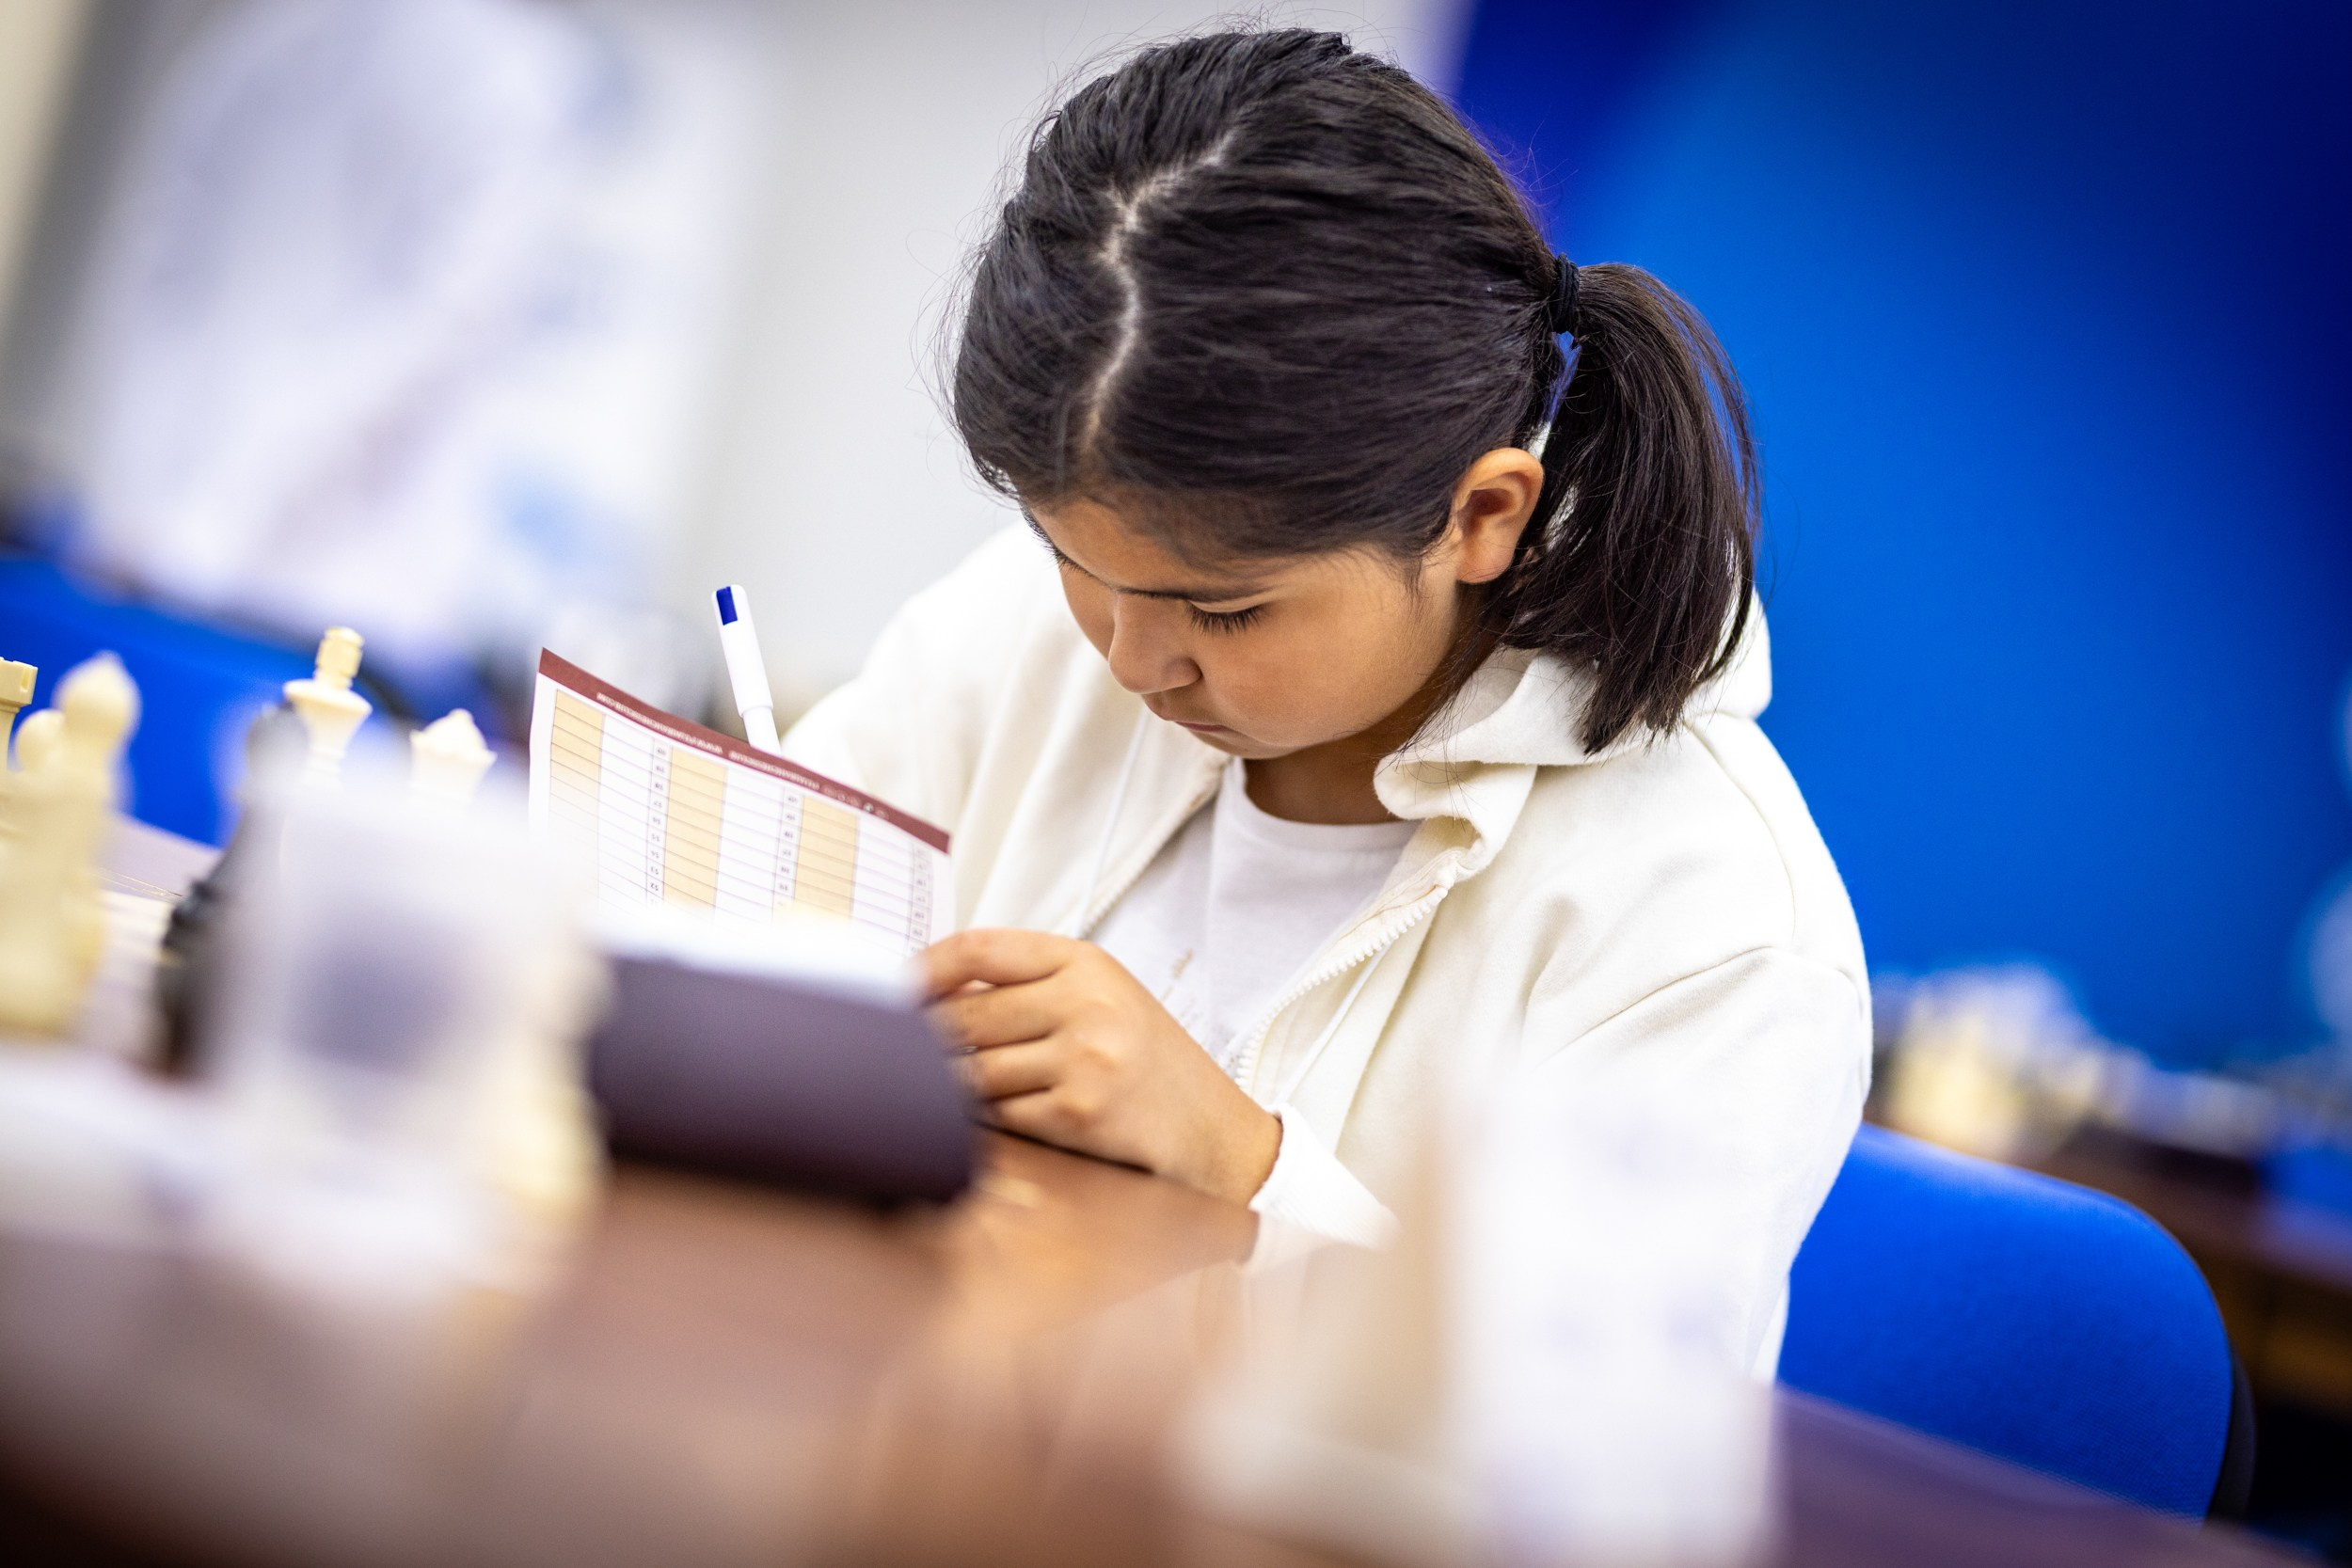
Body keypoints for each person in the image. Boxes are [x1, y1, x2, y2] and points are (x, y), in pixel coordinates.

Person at [785, 28, 1867, 1374]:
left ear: (1481, 515)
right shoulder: (1041, 628)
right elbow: (756, 941)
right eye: (1072, 559)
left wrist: (1247, 1167)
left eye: (1224, 610)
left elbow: (1585, 1446)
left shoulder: (1711, 929)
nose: (1130, 659)